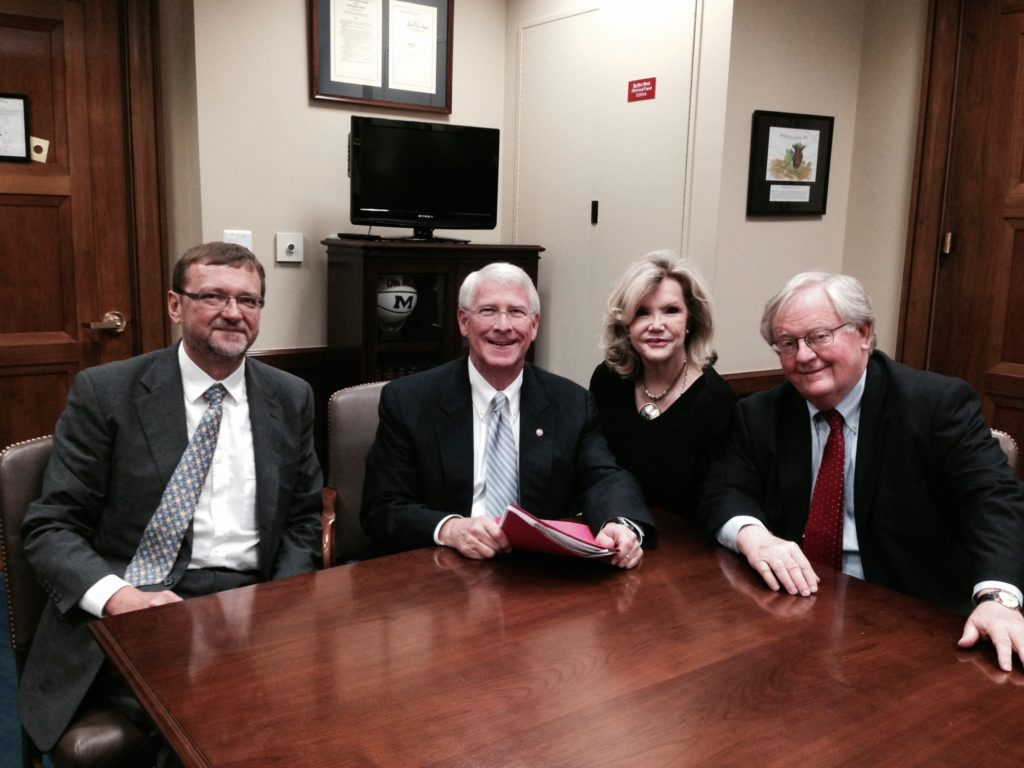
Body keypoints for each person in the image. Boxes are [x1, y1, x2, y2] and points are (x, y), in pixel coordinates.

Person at [19, 242, 323, 755]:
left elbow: (302, 519)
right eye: (213, 296)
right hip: (141, 599)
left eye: (249, 301)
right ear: (175, 305)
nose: (233, 313)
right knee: (213, 709)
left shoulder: (290, 396)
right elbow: (51, 526)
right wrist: (120, 599)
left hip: (251, 602)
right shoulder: (106, 392)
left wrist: (281, 603)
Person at [699, 271, 1024, 672]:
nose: (803, 356)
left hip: (911, 616)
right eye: (787, 343)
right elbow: (723, 491)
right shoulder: (760, 414)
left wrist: (998, 599)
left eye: (819, 336)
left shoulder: (935, 405)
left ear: (865, 333)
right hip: (796, 606)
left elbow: (992, 499)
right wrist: (755, 538)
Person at [361, 262, 654, 568]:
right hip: (442, 571)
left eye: (516, 312)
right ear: (463, 321)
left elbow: (604, 478)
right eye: (487, 310)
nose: (503, 325)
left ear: (534, 325)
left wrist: (621, 523)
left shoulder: (571, 403)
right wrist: (449, 528)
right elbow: (382, 508)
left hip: (537, 574)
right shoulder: (410, 400)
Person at [590, 251, 736, 517]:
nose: (656, 325)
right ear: (625, 324)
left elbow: (715, 499)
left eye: (671, 311)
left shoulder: (715, 400)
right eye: (642, 313)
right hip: (613, 527)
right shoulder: (608, 380)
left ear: (691, 320)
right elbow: (593, 469)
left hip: (684, 546)